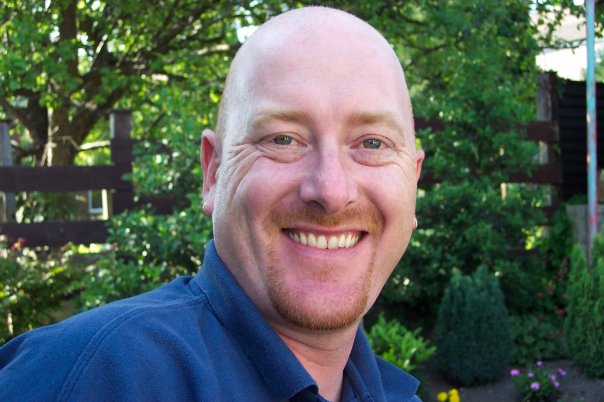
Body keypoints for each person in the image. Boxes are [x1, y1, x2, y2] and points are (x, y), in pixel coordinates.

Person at [0, 6, 424, 401]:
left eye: (373, 143)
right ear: (214, 173)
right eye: (282, 139)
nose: (330, 191)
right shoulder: (92, 375)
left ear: (413, 179)